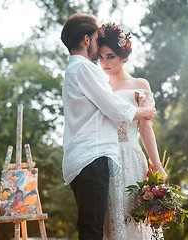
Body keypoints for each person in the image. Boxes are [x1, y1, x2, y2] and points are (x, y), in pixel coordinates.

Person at [60, 13, 157, 240]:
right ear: (86, 39)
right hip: (91, 159)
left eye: (110, 56)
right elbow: (114, 108)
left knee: (94, 226)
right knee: (93, 229)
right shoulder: (84, 69)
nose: (102, 60)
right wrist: (146, 112)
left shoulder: (76, 70)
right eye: (95, 39)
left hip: (93, 158)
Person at [97, 22, 168, 240]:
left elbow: (146, 129)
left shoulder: (139, 84)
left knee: (134, 218)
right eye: (100, 57)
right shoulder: (99, 85)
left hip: (131, 156)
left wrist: (157, 166)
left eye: (110, 56)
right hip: (105, 158)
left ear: (123, 56)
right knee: (111, 222)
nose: (105, 62)